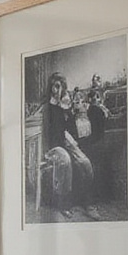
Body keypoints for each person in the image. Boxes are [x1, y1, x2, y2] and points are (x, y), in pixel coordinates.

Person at [40, 72, 98, 219]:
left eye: (62, 87)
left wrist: (67, 111)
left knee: (85, 162)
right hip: (53, 146)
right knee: (65, 160)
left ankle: (89, 204)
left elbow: (70, 129)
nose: (59, 90)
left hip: (65, 143)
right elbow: (49, 134)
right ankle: (64, 204)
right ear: (51, 88)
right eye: (56, 86)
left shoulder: (63, 107)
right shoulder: (47, 108)